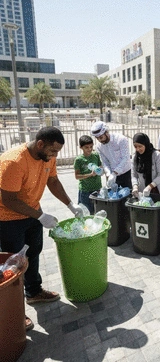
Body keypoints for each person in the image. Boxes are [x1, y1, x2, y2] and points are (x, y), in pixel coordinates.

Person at [0, 127, 83, 330]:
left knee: (34, 253)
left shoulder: (47, 158)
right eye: (53, 151)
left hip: (33, 213)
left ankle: (34, 292)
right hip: (8, 219)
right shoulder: (13, 162)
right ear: (40, 144)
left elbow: (53, 181)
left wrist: (70, 205)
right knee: (14, 266)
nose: (54, 156)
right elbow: (9, 200)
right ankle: (14, 314)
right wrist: (41, 216)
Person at [91, 121, 132, 189]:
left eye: (101, 137)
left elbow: (125, 158)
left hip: (126, 174)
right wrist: (108, 174)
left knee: (128, 196)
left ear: (106, 132)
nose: (99, 140)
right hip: (112, 176)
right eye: (97, 138)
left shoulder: (121, 139)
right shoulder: (99, 146)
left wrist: (115, 173)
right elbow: (105, 162)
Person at [131, 133, 160, 197]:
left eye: (140, 146)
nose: (138, 149)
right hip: (143, 190)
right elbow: (134, 175)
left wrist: (150, 186)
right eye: (135, 147)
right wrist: (135, 186)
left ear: (145, 144)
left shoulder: (157, 156)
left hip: (158, 189)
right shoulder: (135, 157)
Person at [73, 135, 103, 214]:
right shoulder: (79, 160)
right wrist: (90, 174)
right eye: (86, 147)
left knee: (97, 212)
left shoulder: (96, 155)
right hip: (85, 191)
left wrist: (100, 170)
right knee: (86, 213)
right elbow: (77, 176)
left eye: (91, 146)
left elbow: (100, 166)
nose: (89, 149)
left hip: (97, 188)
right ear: (81, 147)